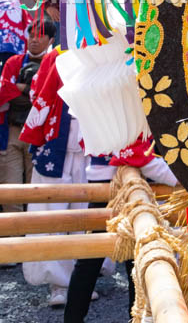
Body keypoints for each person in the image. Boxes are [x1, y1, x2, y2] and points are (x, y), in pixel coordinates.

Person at [63, 137, 178, 322]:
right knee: (132, 255)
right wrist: (181, 179)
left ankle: (72, 319)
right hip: (116, 183)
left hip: (105, 180)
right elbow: (140, 157)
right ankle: (136, 318)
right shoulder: (126, 110)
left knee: (96, 260)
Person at [20, 40, 88, 308]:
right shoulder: (55, 56)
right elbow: (39, 93)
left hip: (89, 149)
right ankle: (58, 284)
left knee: (84, 217)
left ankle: (82, 281)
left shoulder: (104, 47)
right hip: (56, 147)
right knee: (53, 217)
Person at [0, 18, 55, 198]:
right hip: (13, 132)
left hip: (41, 135)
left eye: (39, 36)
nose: (34, 40)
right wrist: (34, 94)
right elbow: (4, 91)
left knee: (36, 188)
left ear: (51, 40)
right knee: (9, 186)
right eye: (31, 35)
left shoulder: (55, 63)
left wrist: (22, 89)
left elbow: (51, 98)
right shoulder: (13, 62)